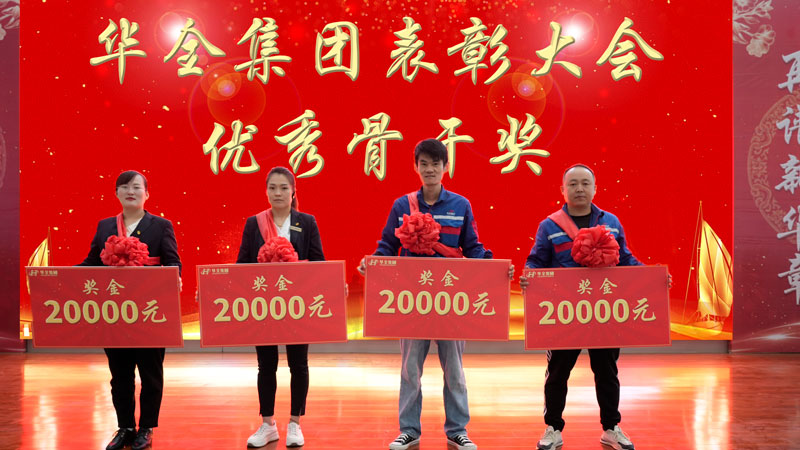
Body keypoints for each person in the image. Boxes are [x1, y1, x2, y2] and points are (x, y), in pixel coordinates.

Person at [358, 139, 512, 450]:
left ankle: (457, 430)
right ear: (416, 167)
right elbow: (387, 245)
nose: (430, 169)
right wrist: (372, 263)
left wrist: (495, 268)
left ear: (446, 167)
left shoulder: (461, 205)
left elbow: (473, 247)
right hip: (412, 299)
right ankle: (409, 430)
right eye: (424, 164)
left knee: (454, 369)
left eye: (436, 164)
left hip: (450, 299)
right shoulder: (402, 206)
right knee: (410, 370)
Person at [522, 164, 647, 450]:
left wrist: (652, 277)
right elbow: (536, 261)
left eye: (585, 183)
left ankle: (611, 428)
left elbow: (626, 260)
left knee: (607, 371)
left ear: (594, 188)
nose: (579, 188)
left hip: (603, 312)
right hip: (565, 314)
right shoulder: (549, 226)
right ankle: (553, 428)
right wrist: (529, 276)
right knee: (558, 372)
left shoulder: (611, 222)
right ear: (563, 190)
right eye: (573, 184)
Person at [79, 170, 182, 450]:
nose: (130, 191)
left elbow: (173, 262)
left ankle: (146, 428)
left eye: (136, 187)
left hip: (149, 312)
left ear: (147, 194)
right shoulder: (105, 226)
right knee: (120, 374)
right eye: (124, 187)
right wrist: (57, 276)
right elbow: (92, 263)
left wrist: (175, 277)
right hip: (115, 313)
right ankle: (125, 427)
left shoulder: (160, 226)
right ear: (116, 193)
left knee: (150, 373)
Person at [238, 166, 324, 448]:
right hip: (265, 306)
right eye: (273, 188)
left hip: (297, 306)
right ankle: (268, 424)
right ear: (266, 191)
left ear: (293, 191)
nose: (278, 193)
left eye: (284, 188)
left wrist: (334, 286)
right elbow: (242, 265)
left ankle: (295, 423)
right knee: (266, 365)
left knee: (299, 364)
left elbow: (319, 263)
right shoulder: (254, 223)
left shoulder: (307, 222)